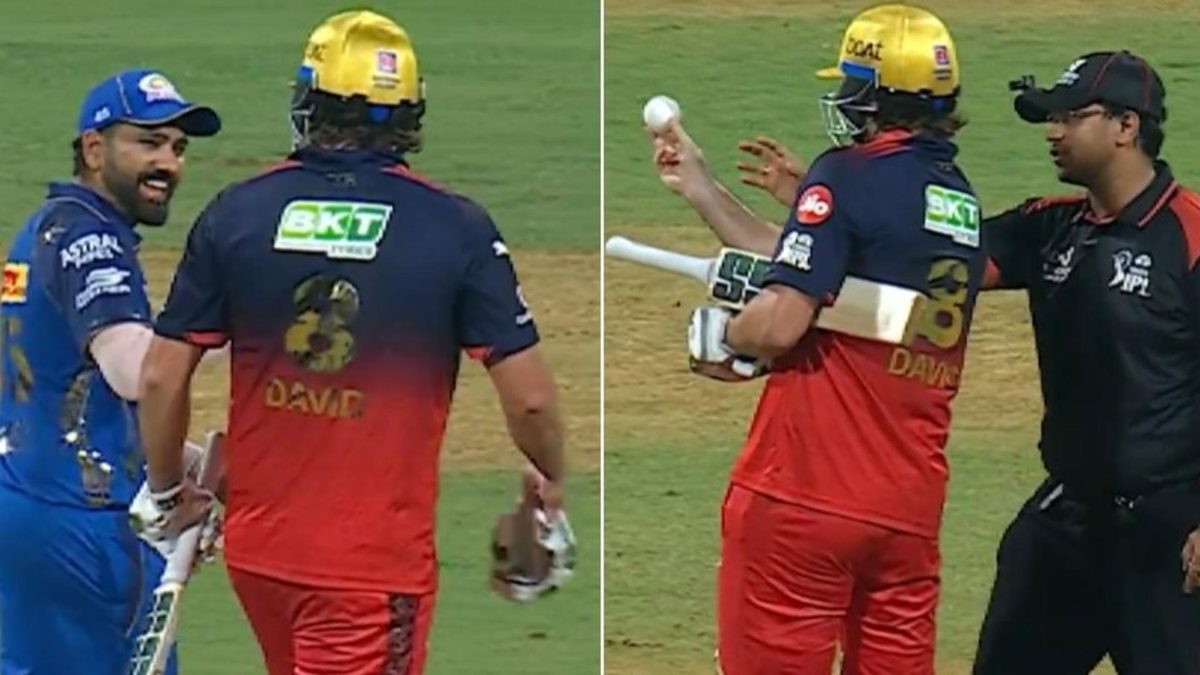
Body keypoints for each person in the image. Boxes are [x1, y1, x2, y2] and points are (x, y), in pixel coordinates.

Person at [705, 49, 1200, 675]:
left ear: (1127, 126)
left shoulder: (1189, 234)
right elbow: (903, 269)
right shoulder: (1048, 227)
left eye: (1070, 117)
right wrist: (824, 211)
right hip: (1070, 520)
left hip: (1171, 533)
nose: (1052, 131)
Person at [135, 10, 571, 675]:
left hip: (261, 557)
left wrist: (168, 492)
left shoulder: (237, 212)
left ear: (310, 104)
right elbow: (532, 402)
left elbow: (161, 377)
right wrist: (550, 473)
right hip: (367, 570)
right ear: (411, 115)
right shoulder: (455, 228)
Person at [657, 5, 986, 673]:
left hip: (804, 496)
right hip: (906, 512)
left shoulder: (846, 172)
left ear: (876, 99)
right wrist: (703, 191)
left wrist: (729, 334)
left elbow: (782, 319)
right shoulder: (959, 199)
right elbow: (816, 272)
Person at [0, 69, 220, 673]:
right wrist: (219, 324)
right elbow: (136, 372)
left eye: (177, 147)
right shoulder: (89, 240)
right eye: (148, 143)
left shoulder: (44, 228)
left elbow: (66, 395)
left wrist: (190, 458)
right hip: (82, 524)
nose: (168, 162)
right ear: (94, 150)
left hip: (29, 503)